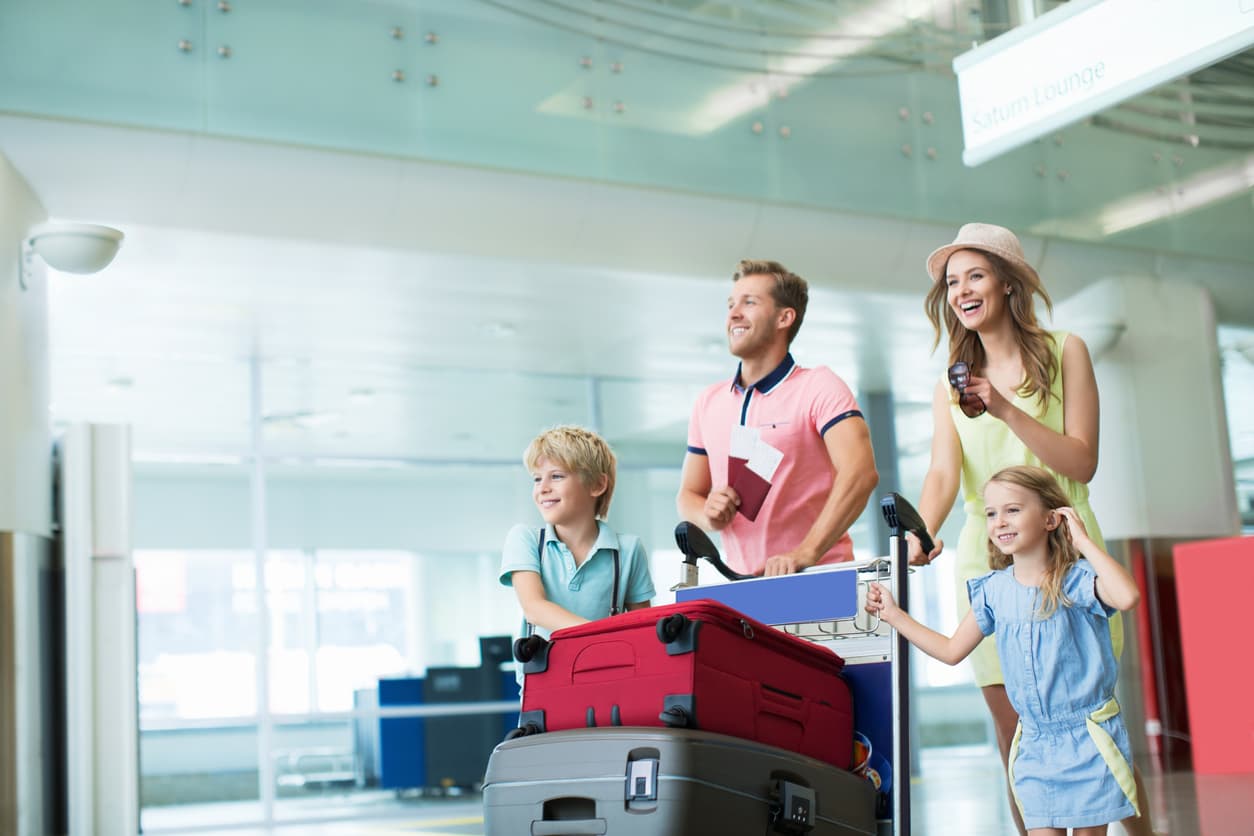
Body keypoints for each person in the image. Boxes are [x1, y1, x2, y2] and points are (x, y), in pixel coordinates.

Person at [911, 222, 1152, 835]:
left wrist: (1005, 407)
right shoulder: (950, 381)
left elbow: (1082, 461)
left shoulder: (1064, 349)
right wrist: (920, 529)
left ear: (1007, 282)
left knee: (1091, 720)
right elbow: (943, 473)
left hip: (1066, 554)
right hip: (987, 561)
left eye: (975, 275)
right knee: (1017, 731)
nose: (961, 290)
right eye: (952, 281)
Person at [867, 466, 1141, 836]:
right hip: (1034, 745)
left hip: (1087, 741)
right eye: (991, 513)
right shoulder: (992, 590)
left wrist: (1083, 542)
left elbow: (1127, 596)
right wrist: (895, 615)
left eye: (1012, 509)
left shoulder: (1076, 580)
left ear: (1050, 519)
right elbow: (950, 651)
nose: (999, 521)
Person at [677, 259, 878, 577]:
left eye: (749, 302)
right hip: (741, 585)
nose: (733, 313)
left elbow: (860, 473)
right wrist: (708, 515)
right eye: (731, 304)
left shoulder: (818, 386)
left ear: (785, 317)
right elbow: (688, 494)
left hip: (817, 577)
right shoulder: (708, 402)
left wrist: (806, 552)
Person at [499, 425, 655, 649]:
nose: (542, 488)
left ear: (597, 485)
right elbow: (534, 608)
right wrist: (603, 640)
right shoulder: (525, 540)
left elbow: (643, 628)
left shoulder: (628, 550)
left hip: (606, 677)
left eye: (557, 476)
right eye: (536, 479)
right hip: (545, 681)